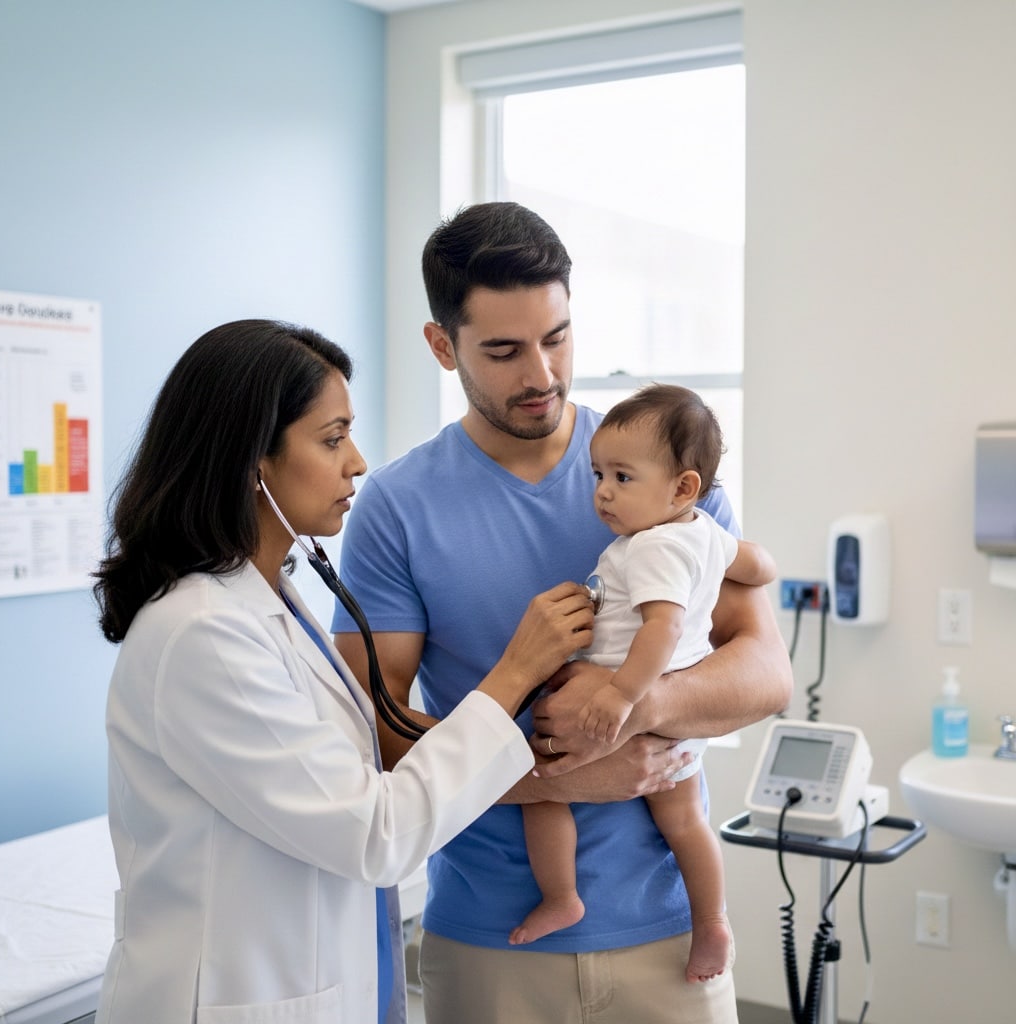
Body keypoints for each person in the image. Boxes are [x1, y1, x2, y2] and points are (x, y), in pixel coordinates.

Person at [333, 203, 793, 1023]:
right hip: (490, 943)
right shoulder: (397, 508)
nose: (540, 374)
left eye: (557, 338)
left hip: (671, 936)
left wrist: (631, 709)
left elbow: (765, 677)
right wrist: (558, 771)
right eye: (504, 351)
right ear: (443, 347)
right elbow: (370, 728)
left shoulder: (660, 470)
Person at [91, 319, 595, 1024]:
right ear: (251, 463)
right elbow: (376, 832)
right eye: (331, 439)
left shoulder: (271, 599)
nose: (356, 462)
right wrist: (515, 672)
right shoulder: (203, 633)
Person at [511, 384, 777, 991]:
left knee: (541, 791)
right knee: (685, 824)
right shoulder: (703, 531)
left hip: (624, 702)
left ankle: (561, 896)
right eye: (598, 473)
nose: (602, 491)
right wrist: (761, 564)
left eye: (623, 478)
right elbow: (757, 565)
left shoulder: (651, 548)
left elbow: (664, 628)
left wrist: (621, 696)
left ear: (682, 487)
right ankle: (711, 921)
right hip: (680, 724)